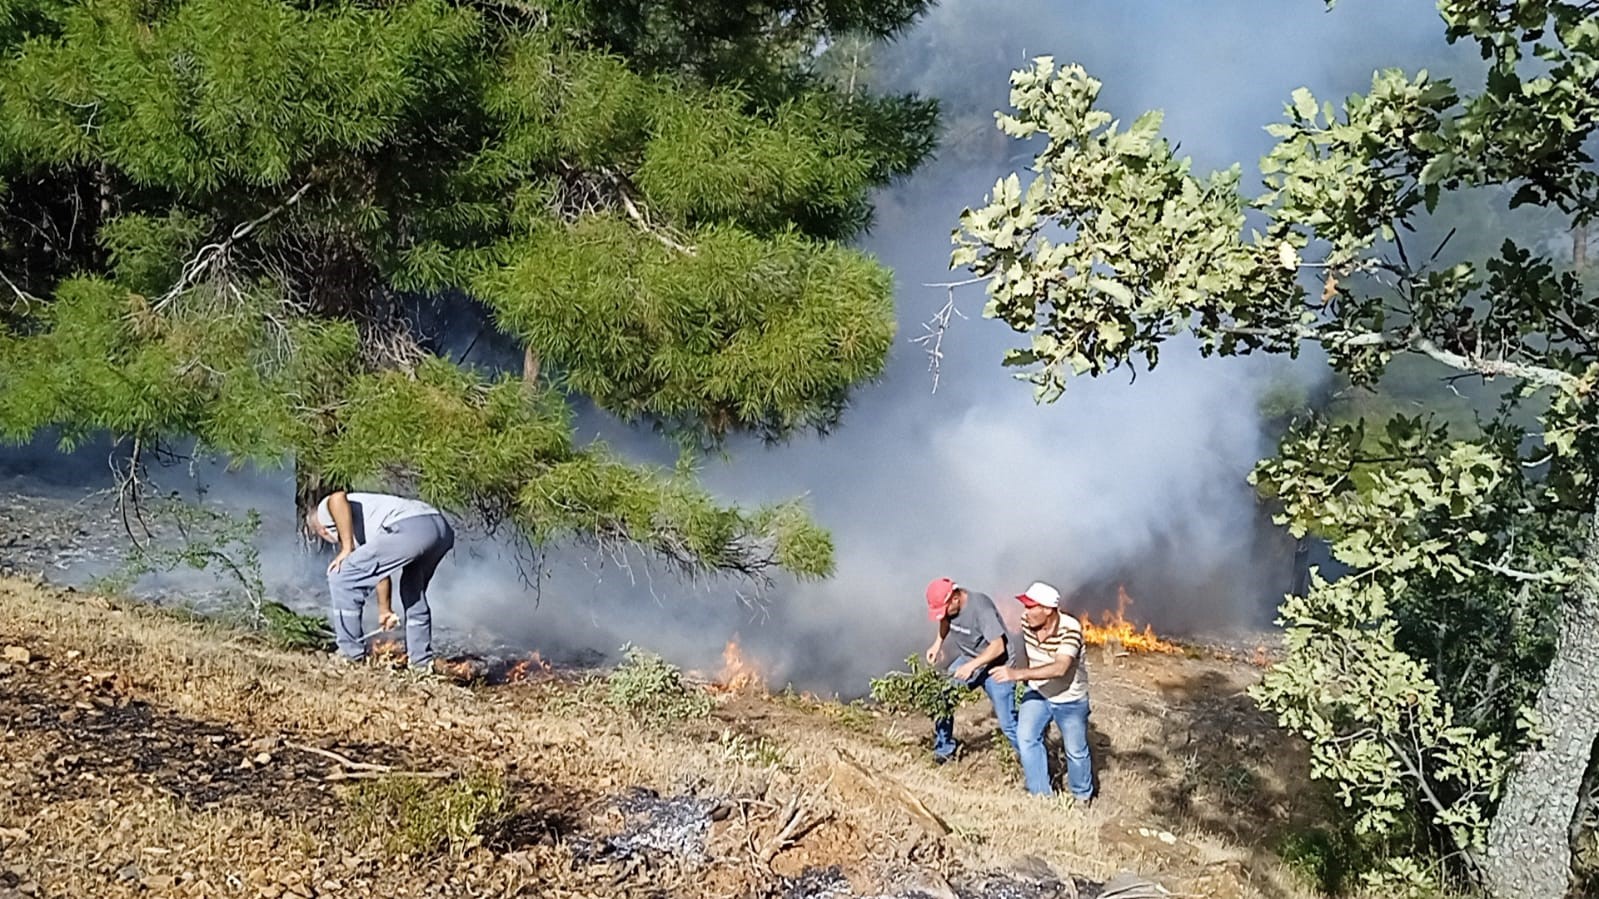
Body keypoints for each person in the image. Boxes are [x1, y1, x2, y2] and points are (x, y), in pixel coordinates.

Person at [307, 490, 454, 672]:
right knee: (412, 590)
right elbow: (379, 571)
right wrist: (385, 609)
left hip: (409, 527)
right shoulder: (365, 529)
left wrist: (346, 548)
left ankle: (349, 655)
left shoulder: (324, 513)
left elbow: (337, 497)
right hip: (439, 528)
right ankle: (421, 663)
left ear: (321, 530)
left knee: (341, 575)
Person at [992, 581, 1094, 803]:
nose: (1025, 612)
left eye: (1031, 606)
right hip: (1038, 693)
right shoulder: (1026, 622)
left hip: (1070, 699)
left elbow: (1060, 668)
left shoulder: (1071, 629)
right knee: (1026, 738)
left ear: (1048, 610)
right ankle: (1041, 796)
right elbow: (1021, 650)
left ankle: (1081, 798)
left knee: (1076, 752)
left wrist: (1017, 674)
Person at [924, 577, 1024, 764]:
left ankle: (1031, 761)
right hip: (969, 660)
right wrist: (937, 644)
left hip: (998, 666)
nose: (942, 615)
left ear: (955, 598)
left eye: (943, 609)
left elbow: (998, 647)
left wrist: (971, 666)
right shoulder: (949, 609)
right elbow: (944, 620)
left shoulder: (981, 608)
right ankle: (944, 750)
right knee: (942, 699)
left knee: (1008, 723)